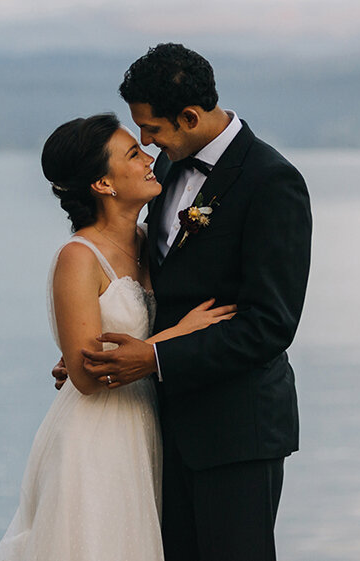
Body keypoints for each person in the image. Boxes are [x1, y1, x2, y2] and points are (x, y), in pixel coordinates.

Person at [74, 43, 312, 560]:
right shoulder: (166, 172)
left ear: (189, 116)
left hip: (236, 433)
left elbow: (270, 325)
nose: (146, 142)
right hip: (161, 428)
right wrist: (105, 349)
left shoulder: (272, 182)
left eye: (153, 129)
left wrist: (154, 358)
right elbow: (159, 289)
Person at [0, 113, 237, 561]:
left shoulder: (153, 241)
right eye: (132, 154)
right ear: (103, 185)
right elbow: (85, 377)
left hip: (147, 426)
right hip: (95, 438)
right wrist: (178, 335)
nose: (149, 158)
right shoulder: (78, 257)